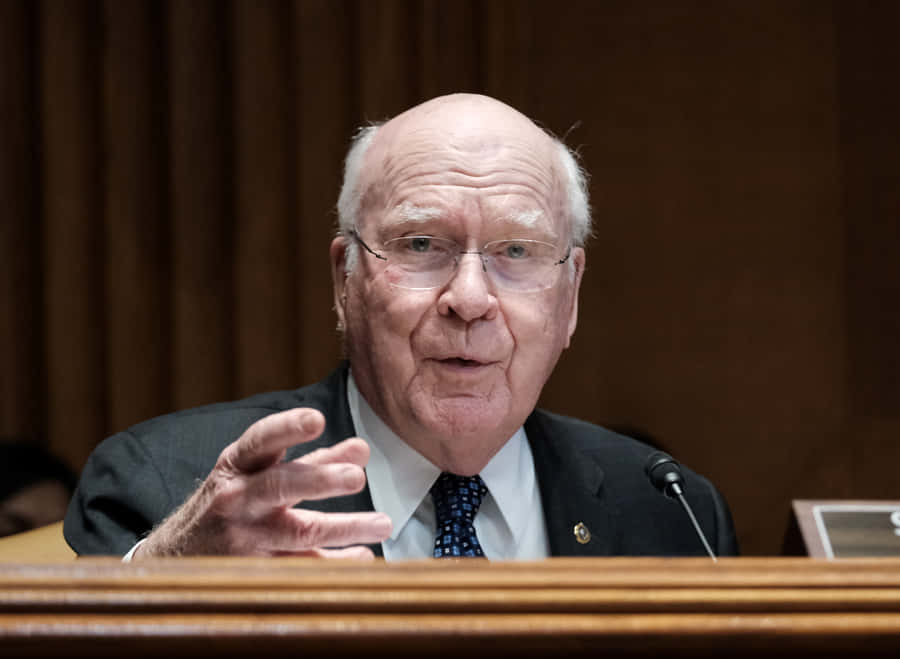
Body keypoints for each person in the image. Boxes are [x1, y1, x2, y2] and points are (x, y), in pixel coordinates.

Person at [64, 94, 738, 559]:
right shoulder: (162, 483)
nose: (470, 298)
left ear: (570, 297)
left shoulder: (670, 510)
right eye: (420, 245)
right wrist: (170, 576)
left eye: (516, 251)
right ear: (345, 281)